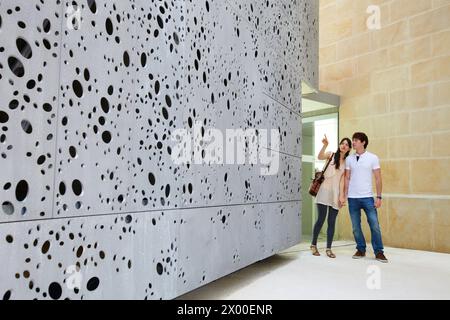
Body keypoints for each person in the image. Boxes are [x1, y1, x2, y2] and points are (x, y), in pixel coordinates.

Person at [341, 132, 388, 263]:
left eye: (356, 140)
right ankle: (361, 249)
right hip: (352, 198)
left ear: (363, 142)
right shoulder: (349, 159)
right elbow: (347, 178)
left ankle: (379, 252)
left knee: (374, 225)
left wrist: (379, 197)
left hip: (367, 197)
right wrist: (344, 195)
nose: (353, 142)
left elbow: (378, 178)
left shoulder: (373, 158)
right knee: (356, 227)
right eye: (353, 140)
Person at [310, 135, 352, 258]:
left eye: (346, 144)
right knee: (321, 219)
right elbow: (319, 156)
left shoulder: (346, 163)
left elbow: (343, 181)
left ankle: (328, 248)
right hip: (324, 190)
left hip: (335, 193)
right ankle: (313, 245)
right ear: (339, 145)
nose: (344, 145)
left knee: (332, 222)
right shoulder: (331, 154)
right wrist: (325, 145)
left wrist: (342, 196)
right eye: (342, 143)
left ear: (349, 149)